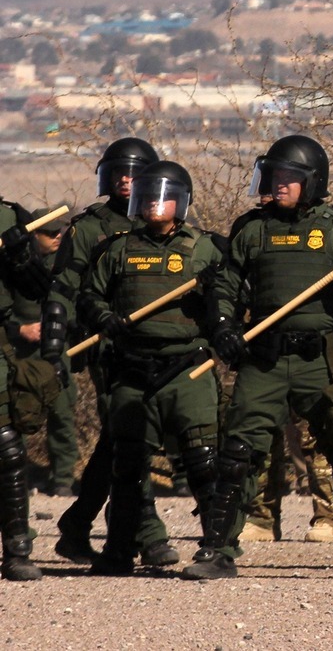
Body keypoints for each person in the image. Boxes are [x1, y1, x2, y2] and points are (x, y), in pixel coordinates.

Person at [183, 135, 333, 580]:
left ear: (312, 182)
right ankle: (217, 550)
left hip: (321, 361)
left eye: (287, 178)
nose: (276, 185)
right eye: (272, 176)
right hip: (264, 359)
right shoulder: (251, 228)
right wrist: (224, 327)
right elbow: (226, 287)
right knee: (238, 453)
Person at [73, 161, 227, 575]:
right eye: (148, 197)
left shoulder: (207, 248)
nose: (154, 205)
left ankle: (216, 550)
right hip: (132, 368)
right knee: (128, 466)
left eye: (164, 197)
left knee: (203, 462)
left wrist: (215, 299)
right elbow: (89, 296)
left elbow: (234, 298)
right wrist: (103, 318)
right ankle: (119, 551)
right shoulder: (118, 248)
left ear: (181, 202)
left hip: (187, 368)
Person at [50, 138, 178, 567]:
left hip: (155, 348)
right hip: (106, 348)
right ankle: (149, 533)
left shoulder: (157, 225)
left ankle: (77, 523)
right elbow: (65, 289)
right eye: (120, 172)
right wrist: (64, 338)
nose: (127, 180)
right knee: (130, 438)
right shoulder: (89, 228)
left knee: (117, 441)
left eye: (135, 173)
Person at [6, 212, 77, 497]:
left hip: (58, 351)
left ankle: (63, 478)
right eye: (50, 233)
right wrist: (20, 330)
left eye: (59, 231)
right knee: (16, 414)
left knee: (62, 414)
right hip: (21, 352)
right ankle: (15, 477)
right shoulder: (13, 267)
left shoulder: (65, 265)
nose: (57, 236)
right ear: (34, 235)